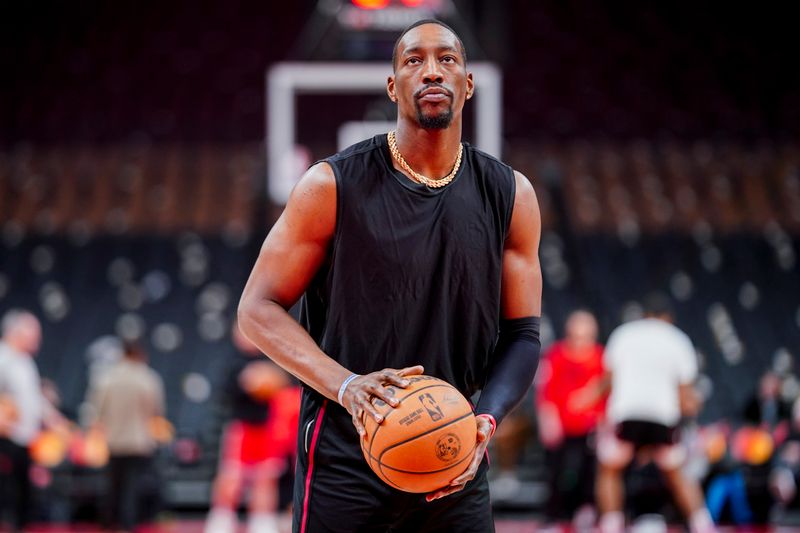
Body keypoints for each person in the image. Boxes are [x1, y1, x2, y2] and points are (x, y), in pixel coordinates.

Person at [238, 19, 542, 533]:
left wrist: (484, 421)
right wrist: (349, 385)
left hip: (453, 455)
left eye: (446, 59)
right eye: (413, 60)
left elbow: (522, 335)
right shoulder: (331, 185)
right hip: (344, 455)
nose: (431, 72)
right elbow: (256, 309)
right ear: (392, 85)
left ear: (468, 84)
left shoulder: (510, 196)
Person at [595, 294, 714, 533]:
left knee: (610, 469)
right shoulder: (678, 339)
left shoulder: (624, 334)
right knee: (676, 471)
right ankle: (703, 525)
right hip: (662, 416)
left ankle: (610, 524)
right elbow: (684, 393)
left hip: (627, 414)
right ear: (667, 318)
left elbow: (607, 381)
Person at [205, 322, 297, 533]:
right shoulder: (231, 361)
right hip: (242, 428)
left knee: (266, 478)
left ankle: (262, 521)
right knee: (232, 476)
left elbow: (284, 385)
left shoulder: (271, 358)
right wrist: (251, 381)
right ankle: (221, 518)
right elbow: (227, 390)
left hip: (267, 429)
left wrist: (269, 380)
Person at [536, 309, 605, 529]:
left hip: (590, 425)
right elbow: (546, 390)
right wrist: (548, 419)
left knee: (590, 470)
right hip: (562, 424)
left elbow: (605, 393)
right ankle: (552, 516)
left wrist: (603, 423)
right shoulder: (556, 354)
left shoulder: (600, 356)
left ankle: (587, 510)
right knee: (556, 470)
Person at [90, 341, 165, 532]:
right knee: (131, 489)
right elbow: (157, 411)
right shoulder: (148, 378)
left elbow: (98, 411)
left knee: (112, 487)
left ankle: (107, 525)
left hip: (114, 441)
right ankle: (127, 526)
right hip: (139, 442)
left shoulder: (107, 378)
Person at [0, 310, 43, 532]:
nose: (37, 339)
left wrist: (55, 420)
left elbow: (34, 399)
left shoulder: (25, 361)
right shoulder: (3, 357)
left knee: (23, 493)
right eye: (33, 333)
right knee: (9, 491)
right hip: (6, 437)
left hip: (25, 437)